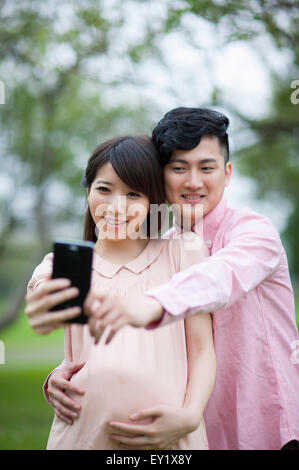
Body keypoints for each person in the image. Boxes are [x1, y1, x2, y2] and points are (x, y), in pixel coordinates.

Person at [64, 108, 299, 451]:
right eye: (178, 168)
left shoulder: (254, 233)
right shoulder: (164, 249)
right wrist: (65, 372)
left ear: (227, 172)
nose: (193, 182)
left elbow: (218, 278)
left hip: (269, 426)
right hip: (195, 432)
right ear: (160, 177)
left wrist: (152, 305)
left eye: (207, 168)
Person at [25, 135, 216, 450]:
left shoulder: (184, 252)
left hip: (172, 441)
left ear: (153, 201)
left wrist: (191, 415)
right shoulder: (64, 264)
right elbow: (43, 306)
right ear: (88, 190)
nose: (116, 207)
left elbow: (202, 350)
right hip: (83, 436)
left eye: (133, 194)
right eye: (104, 190)